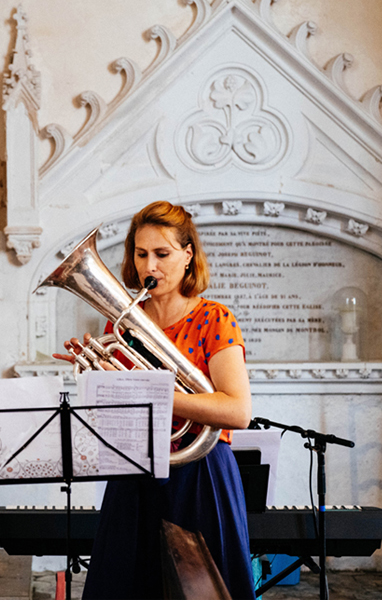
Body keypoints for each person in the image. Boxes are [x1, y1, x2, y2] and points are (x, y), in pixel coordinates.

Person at [57, 202, 255, 600]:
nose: (151, 266)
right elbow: (120, 416)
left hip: (199, 473)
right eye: (141, 254)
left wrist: (152, 389)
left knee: (202, 593)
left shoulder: (215, 319)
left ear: (187, 256)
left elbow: (238, 411)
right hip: (136, 474)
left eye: (162, 254)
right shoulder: (122, 324)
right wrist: (101, 383)